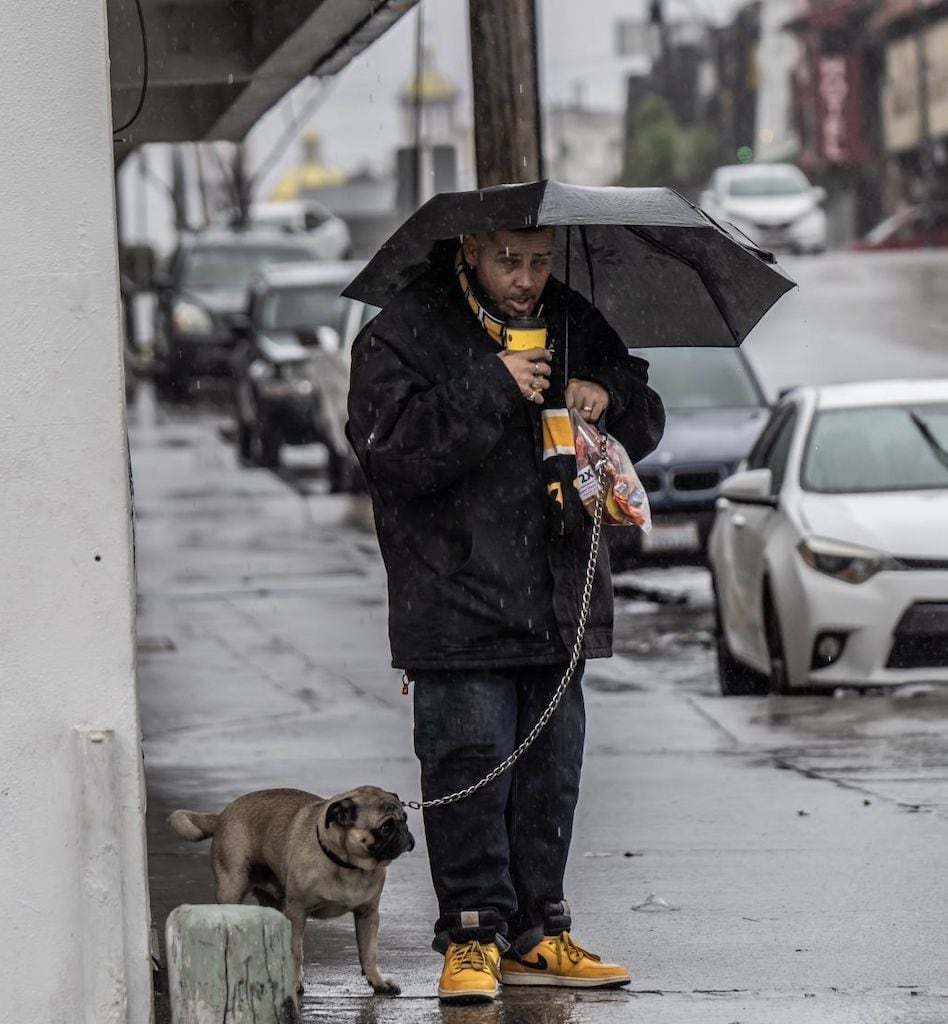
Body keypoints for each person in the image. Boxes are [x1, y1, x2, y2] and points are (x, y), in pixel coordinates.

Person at [346, 226, 664, 1003]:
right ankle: (472, 936)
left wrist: (607, 395)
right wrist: (492, 383)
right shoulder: (404, 329)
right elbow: (389, 449)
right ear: (468, 251)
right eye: (509, 261)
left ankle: (538, 932)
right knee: (471, 772)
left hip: (559, 602)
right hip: (454, 604)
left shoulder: (570, 318)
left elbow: (646, 414)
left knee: (551, 780)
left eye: (540, 261)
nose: (527, 280)